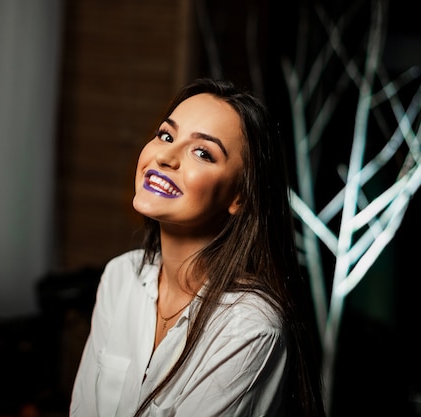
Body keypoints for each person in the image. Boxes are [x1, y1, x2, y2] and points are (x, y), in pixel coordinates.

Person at [69, 78, 325, 417]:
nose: (166, 157)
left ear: (240, 196)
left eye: (202, 152)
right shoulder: (121, 277)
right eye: (166, 135)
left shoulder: (249, 327)